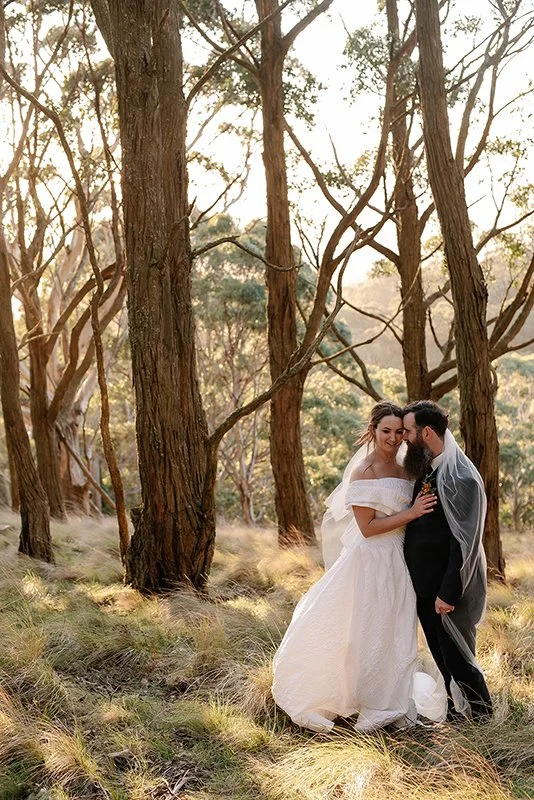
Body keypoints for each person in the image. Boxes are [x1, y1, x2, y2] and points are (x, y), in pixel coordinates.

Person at [271, 402, 447, 732]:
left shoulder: (406, 467)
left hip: (399, 559)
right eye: (386, 431)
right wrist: (412, 513)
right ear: (373, 430)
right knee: (370, 629)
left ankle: (388, 699)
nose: (393, 438)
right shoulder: (364, 472)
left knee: (396, 630)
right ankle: (363, 700)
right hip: (373, 561)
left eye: (399, 432)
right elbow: (367, 528)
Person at [402, 401, 493, 722]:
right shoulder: (430, 467)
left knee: (460, 659)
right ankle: (457, 713)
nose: (404, 439)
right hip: (426, 585)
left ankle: (483, 719)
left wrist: (448, 592)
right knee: (443, 658)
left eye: (409, 432)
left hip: (449, 588)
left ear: (426, 433)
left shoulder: (462, 476)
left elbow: (464, 543)